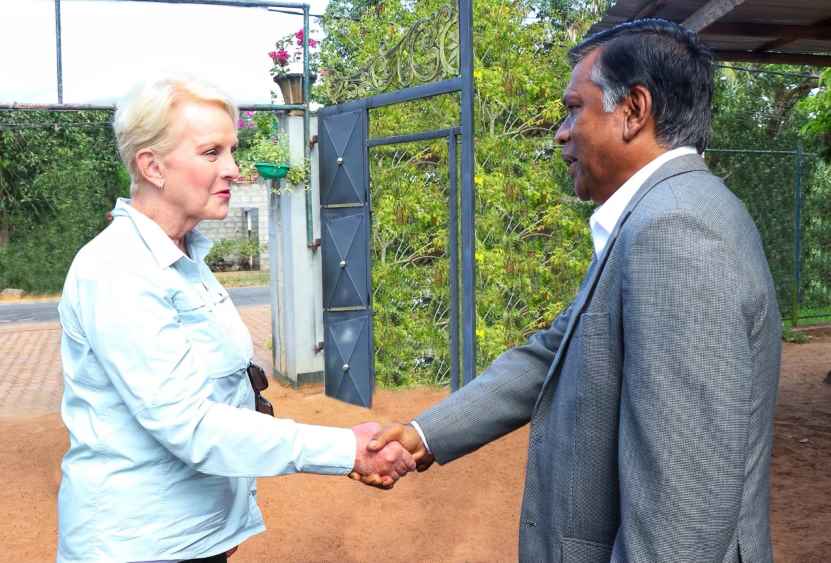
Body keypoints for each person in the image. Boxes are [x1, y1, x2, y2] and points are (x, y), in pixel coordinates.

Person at [360, 18, 782, 562]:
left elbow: (684, 506)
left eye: (574, 107)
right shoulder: (664, 213)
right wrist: (425, 433)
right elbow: (554, 352)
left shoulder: (675, 230)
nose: (561, 131)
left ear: (633, 110)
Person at [56, 74, 414, 563]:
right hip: (139, 545)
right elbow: (190, 425)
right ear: (152, 166)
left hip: (193, 538)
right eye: (211, 153)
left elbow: (226, 390)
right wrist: (342, 449)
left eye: (231, 150)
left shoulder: (184, 258)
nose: (234, 168)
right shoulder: (120, 270)